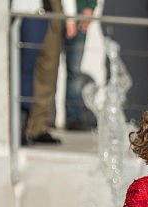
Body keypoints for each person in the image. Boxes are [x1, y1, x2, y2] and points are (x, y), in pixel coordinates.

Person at [24, 0, 64, 145]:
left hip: (50, 7)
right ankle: (21, 125)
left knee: (48, 68)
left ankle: (38, 127)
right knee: (23, 66)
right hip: (23, 8)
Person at [62, 0, 98, 131]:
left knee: (74, 70)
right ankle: (41, 119)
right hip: (53, 11)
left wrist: (89, 6)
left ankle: (73, 118)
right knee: (48, 67)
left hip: (79, 13)